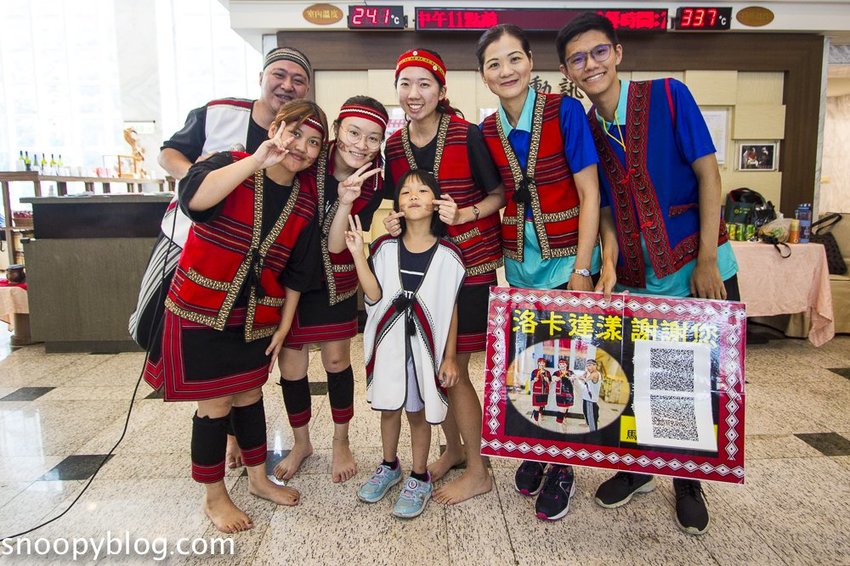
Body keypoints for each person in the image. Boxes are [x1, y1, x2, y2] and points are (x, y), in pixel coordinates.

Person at [556, 11, 740, 535]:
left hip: (693, 263)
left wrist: (706, 258)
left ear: (617, 53)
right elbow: (607, 209)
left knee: (688, 381)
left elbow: (709, 174)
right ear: (568, 72)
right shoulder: (587, 126)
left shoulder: (668, 96)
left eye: (597, 52)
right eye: (576, 59)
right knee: (636, 378)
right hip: (636, 272)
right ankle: (638, 468)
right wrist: (608, 261)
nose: (589, 64)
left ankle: (687, 482)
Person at [142, 101, 329, 534]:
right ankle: (214, 495)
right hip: (203, 308)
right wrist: (256, 161)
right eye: (295, 133)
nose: (301, 147)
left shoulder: (304, 203)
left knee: (248, 395)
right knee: (214, 404)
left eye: (314, 142)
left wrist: (285, 325)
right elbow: (194, 200)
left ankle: (259, 478)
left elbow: (298, 272)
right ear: (276, 128)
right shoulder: (231, 162)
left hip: (258, 316)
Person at [476, 23, 618, 523]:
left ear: (530, 62)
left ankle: (564, 466)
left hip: (567, 263)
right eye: (494, 64)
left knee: (572, 368)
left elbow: (589, 194)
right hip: (520, 266)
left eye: (513, 59)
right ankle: (540, 446)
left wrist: (584, 266)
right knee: (534, 365)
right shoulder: (489, 129)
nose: (506, 70)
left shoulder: (566, 112)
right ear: (485, 77)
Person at [382, 48, 506, 505]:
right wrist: (394, 220)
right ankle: (454, 450)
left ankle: (479, 470)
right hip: (423, 272)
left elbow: (498, 195)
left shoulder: (467, 135)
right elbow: (403, 200)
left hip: (470, 267)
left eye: (425, 85)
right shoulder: (393, 145)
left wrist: (465, 212)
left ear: (442, 90)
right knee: (438, 368)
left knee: (458, 372)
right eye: (406, 84)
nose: (414, 95)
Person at [130, 46, 312, 352]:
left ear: (307, 89)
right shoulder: (220, 112)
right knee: (154, 326)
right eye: (278, 75)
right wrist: (198, 178)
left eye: (298, 80)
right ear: (261, 77)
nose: (287, 85)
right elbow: (168, 153)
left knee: (228, 339)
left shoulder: (300, 132)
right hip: (186, 236)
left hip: (244, 251)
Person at [331, 169, 466, 519]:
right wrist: (358, 254)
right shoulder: (385, 248)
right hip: (389, 346)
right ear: (397, 205)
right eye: (406, 193)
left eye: (423, 190)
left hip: (424, 351)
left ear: (436, 202)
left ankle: (419, 476)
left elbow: (449, 306)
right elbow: (374, 295)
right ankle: (389, 466)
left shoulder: (449, 254)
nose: (414, 196)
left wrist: (450, 357)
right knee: (390, 408)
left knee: (417, 412)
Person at [274, 97, 389, 484]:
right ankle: (301, 442)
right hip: (290, 277)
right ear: (337, 129)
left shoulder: (375, 179)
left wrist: (346, 202)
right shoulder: (308, 156)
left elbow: (339, 245)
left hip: (336, 278)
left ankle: (342, 440)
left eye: (373, 138)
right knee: (292, 366)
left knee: (337, 363)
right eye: (353, 132)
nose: (361, 144)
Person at [577, 359, 601, 431]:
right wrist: (585, 373)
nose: (588, 367)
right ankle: (587, 423)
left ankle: (593, 432)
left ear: (595, 365)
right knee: (586, 412)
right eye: (587, 366)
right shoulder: (590, 372)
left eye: (590, 365)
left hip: (590, 400)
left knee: (591, 417)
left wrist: (582, 377)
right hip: (587, 397)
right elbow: (581, 377)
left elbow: (585, 380)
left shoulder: (595, 374)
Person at [553, 358, 574, 424]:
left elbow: (574, 377)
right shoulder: (556, 372)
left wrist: (570, 377)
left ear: (566, 365)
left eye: (564, 364)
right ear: (558, 365)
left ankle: (563, 418)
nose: (562, 365)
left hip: (569, 393)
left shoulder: (570, 372)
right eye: (560, 364)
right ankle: (559, 424)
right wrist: (558, 377)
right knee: (561, 409)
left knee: (566, 407)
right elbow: (554, 379)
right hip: (560, 393)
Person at [530, 358, 551, 422]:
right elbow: (531, 381)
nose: (542, 364)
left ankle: (540, 415)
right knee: (537, 407)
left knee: (542, 404)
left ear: (545, 364)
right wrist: (534, 380)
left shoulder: (547, 372)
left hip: (545, 392)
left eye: (543, 363)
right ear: (538, 363)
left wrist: (548, 380)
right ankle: (535, 421)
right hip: (537, 391)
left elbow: (550, 382)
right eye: (540, 363)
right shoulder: (535, 371)